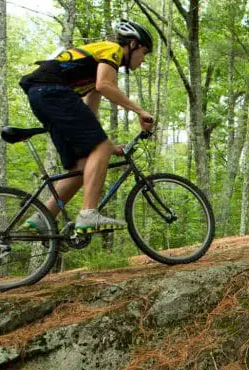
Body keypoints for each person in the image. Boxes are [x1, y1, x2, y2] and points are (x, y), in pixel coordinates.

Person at [20, 20, 156, 234]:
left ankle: (43, 217)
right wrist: (140, 111)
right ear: (132, 44)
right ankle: (88, 214)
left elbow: (89, 115)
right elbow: (105, 85)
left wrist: (108, 148)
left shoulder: (96, 69)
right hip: (52, 92)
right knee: (99, 148)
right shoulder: (111, 50)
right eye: (144, 53)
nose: (143, 60)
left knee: (83, 167)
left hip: (42, 96)